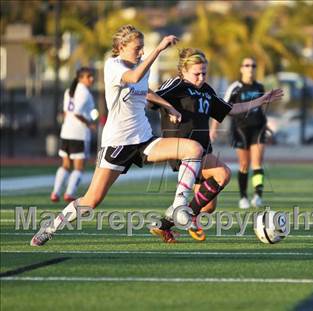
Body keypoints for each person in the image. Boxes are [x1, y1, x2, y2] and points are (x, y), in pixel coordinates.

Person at [30, 24, 204, 246]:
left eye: (143, 48)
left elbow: (144, 90)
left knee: (193, 149)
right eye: (137, 48)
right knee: (91, 201)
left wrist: (168, 106)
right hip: (117, 144)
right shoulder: (113, 66)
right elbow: (132, 78)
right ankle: (51, 227)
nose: (141, 52)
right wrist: (158, 49)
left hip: (143, 140)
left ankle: (179, 207)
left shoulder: (141, 66)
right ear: (121, 47)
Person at [150, 49, 283, 243]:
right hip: (183, 149)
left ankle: (165, 224)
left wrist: (260, 100)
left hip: (203, 149)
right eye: (197, 73)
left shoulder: (206, 90)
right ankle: (181, 216)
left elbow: (230, 109)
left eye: (204, 72)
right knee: (223, 174)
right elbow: (149, 95)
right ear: (183, 71)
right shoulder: (176, 85)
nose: (201, 77)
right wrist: (169, 107)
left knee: (208, 207)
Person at [211, 57, 267, 209]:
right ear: (241, 68)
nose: (250, 68)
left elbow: (261, 108)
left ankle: (257, 196)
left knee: (257, 163)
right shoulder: (235, 87)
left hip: (258, 128)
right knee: (244, 164)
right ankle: (243, 197)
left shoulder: (259, 87)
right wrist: (214, 128)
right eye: (247, 65)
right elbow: (221, 108)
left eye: (253, 65)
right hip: (240, 129)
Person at [50, 67, 96, 203]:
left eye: (92, 76)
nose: (91, 79)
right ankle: (69, 193)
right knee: (79, 167)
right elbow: (77, 112)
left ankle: (55, 193)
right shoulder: (85, 93)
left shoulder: (69, 92)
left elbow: (66, 113)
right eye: (89, 76)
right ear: (80, 78)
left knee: (65, 164)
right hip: (79, 134)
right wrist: (89, 124)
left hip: (66, 131)